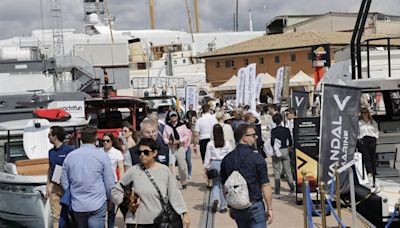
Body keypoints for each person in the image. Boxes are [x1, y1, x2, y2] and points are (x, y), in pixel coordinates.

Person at [111, 138, 190, 228]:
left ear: (154, 153)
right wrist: (127, 201)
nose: (142, 155)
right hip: (138, 221)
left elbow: (174, 193)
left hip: (161, 220)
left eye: (146, 152)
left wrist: (184, 213)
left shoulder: (164, 170)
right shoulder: (133, 171)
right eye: (139, 152)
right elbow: (115, 190)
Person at [220, 124, 273, 228]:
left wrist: (230, 205)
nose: (256, 137)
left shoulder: (227, 159)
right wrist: (269, 208)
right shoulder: (257, 158)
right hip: (254, 204)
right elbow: (265, 185)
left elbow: (225, 185)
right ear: (244, 138)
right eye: (253, 135)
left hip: (237, 206)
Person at [61, 126, 115, 228]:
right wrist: (110, 199)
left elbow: (64, 181)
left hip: (77, 203)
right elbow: (109, 183)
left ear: (81, 138)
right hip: (97, 203)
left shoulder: (70, 156)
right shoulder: (102, 156)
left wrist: (72, 194)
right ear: (95, 138)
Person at [46, 126, 75, 228]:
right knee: (56, 216)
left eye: (49, 135)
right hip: (55, 186)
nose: (48, 137)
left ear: (55, 136)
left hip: (68, 187)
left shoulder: (70, 150)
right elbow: (50, 168)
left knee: (72, 214)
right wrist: (48, 185)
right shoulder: (51, 152)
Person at [204, 124, 233, 213]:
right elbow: (230, 155)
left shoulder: (210, 144)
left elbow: (207, 157)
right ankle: (223, 206)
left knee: (215, 184)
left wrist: (206, 167)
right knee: (223, 185)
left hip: (214, 163)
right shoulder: (227, 143)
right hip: (224, 163)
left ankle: (215, 199)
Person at [100, 132, 124, 228]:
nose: (105, 143)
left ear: (112, 141)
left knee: (111, 208)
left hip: (112, 182)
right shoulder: (99, 151)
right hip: (100, 182)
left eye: (107, 141)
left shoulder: (117, 153)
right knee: (101, 207)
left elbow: (121, 168)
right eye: (103, 141)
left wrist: (120, 183)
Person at [163, 111, 190, 189]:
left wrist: (180, 141)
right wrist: (168, 142)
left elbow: (187, 135)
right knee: (171, 165)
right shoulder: (167, 126)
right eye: (172, 116)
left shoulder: (182, 125)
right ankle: (173, 183)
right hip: (171, 148)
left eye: (175, 116)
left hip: (180, 147)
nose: (173, 117)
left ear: (177, 116)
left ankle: (184, 181)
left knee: (182, 166)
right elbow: (164, 137)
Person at [271, 113, 295, 197]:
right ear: (281, 120)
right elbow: (290, 139)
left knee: (276, 171)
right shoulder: (286, 129)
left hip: (277, 151)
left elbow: (272, 142)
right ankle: (292, 189)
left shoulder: (273, 130)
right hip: (285, 149)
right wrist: (290, 146)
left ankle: (277, 191)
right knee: (288, 171)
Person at [358, 107, 379, 180]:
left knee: (373, 155)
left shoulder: (372, 122)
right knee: (366, 156)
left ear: (368, 113)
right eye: (363, 113)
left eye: (366, 112)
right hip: (363, 139)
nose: (365, 114)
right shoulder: (360, 123)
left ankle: (374, 171)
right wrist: (359, 139)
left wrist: (376, 138)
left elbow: (376, 130)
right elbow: (358, 131)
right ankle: (369, 171)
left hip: (372, 138)